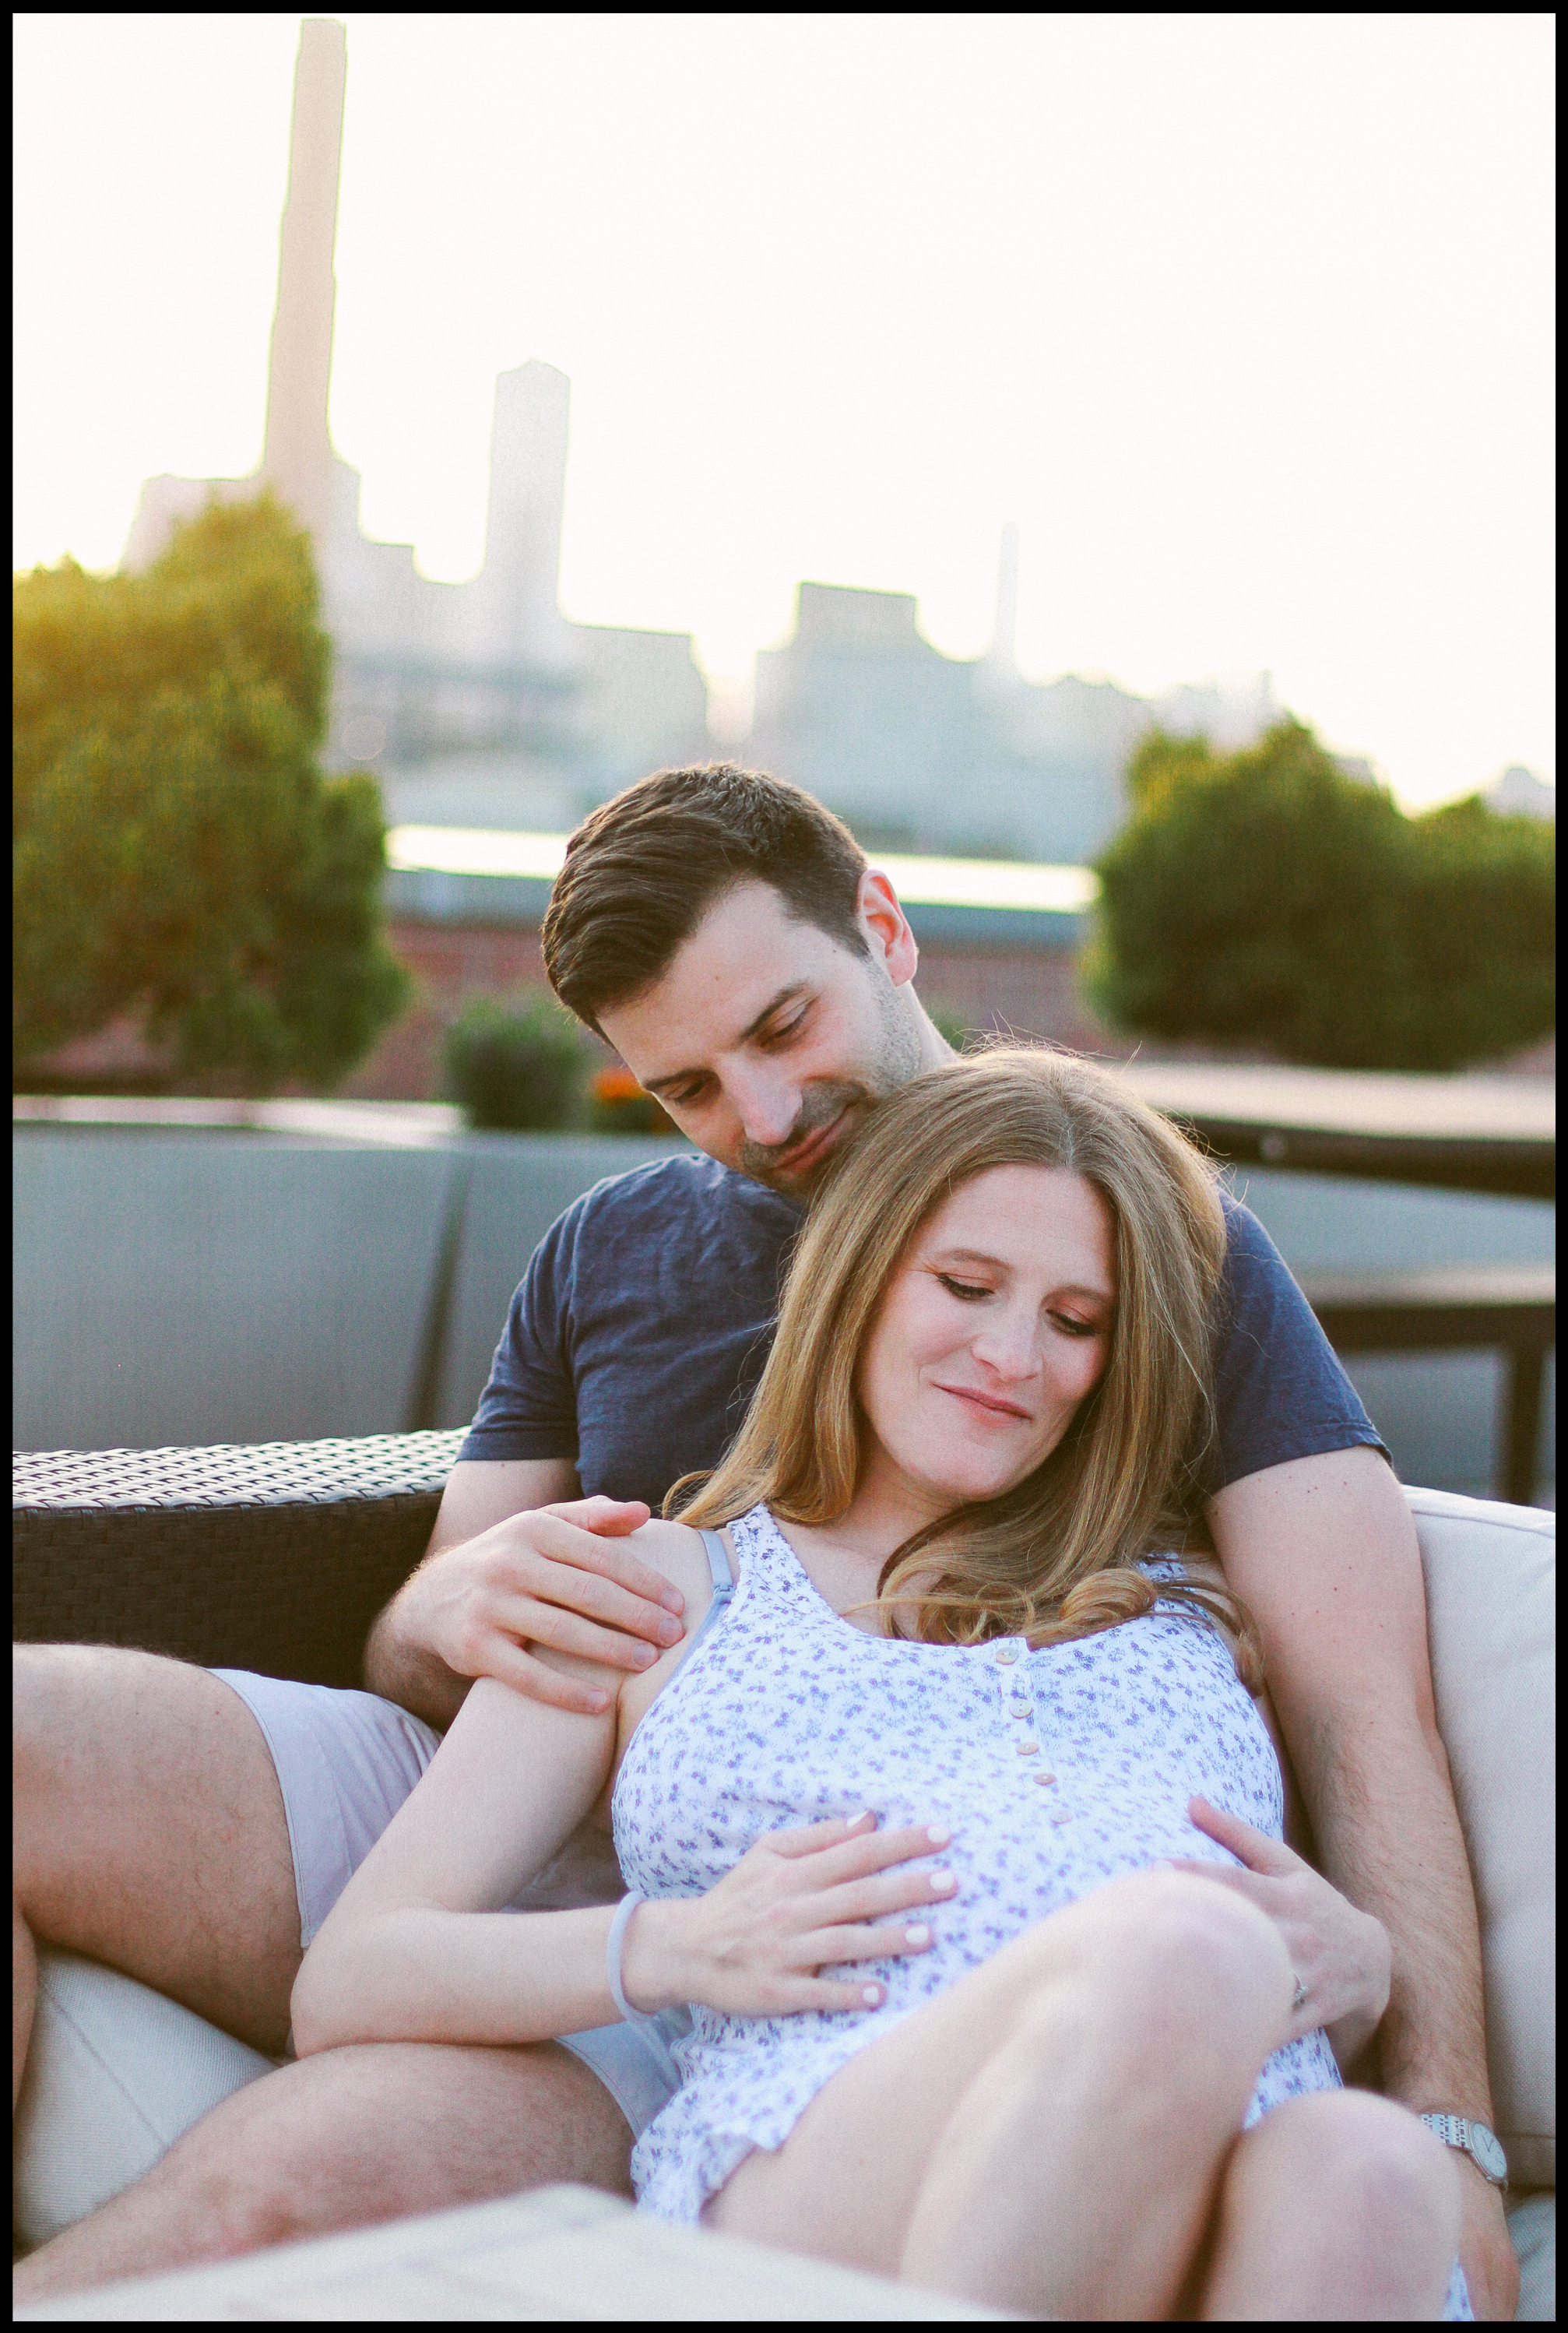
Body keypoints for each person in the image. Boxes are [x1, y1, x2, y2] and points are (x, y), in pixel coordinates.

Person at [12, 765, 1514, 2314]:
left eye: (784, 1026)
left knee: (278, 2193)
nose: (767, 1118)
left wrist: (1441, 2109)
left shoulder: (1158, 1246)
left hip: (895, 1945)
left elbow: (1355, 1696)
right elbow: (432, 1652)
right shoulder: (611, 1252)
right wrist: (455, 1606)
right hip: (593, 1803)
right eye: (688, 1088)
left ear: (882, 927)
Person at [289, 1049, 1470, 2319]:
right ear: (857, 1276)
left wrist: (1364, 1961)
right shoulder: (659, 1584)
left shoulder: (1190, 1596)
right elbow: (353, 1977)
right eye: (966, 1286)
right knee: (1186, 1949)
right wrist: (678, 1945)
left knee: (1370, 2166)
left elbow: (1357, 1749)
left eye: (1075, 1321)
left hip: (1223, 2160)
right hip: (836, 2159)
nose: (1012, 1356)